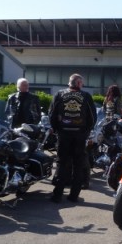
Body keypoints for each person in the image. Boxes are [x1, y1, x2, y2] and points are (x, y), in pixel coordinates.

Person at [48, 73, 97, 203]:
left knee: (62, 163)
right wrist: (87, 131)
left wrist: (56, 129)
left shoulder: (59, 94)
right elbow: (92, 117)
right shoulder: (86, 96)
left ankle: (57, 195)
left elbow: (52, 114)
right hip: (80, 135)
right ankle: (74, 195)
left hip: (64, 134)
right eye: (82, 83)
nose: (82, 85)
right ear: (79, 83)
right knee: (78, 165)